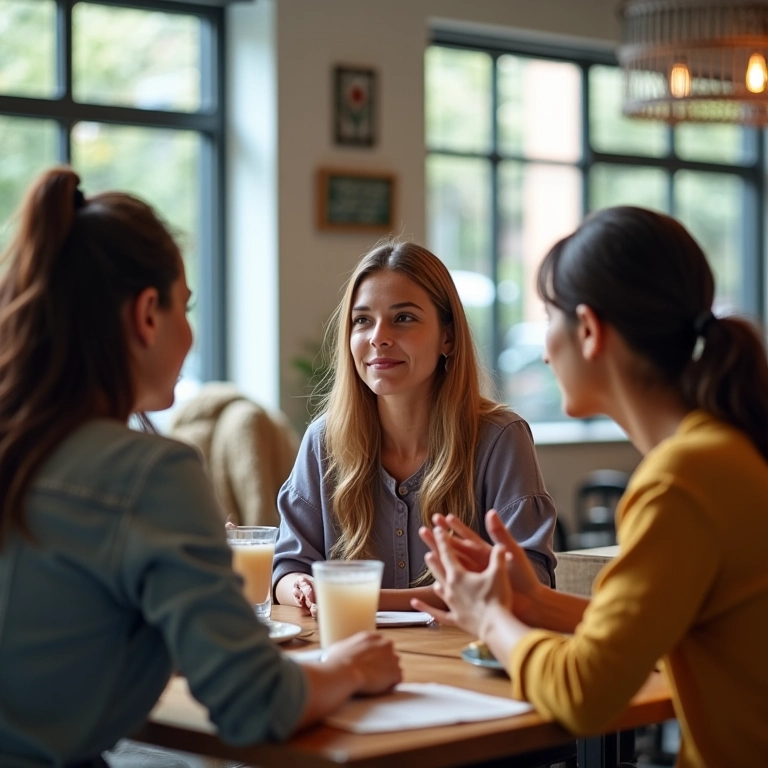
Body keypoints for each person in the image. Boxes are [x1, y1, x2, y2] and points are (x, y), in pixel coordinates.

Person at [0, 167, 401, 768]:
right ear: (146, 315)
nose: (189, 334)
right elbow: (255, 700)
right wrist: (349, 668)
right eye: (184, 308)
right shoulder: (151, 475)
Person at [413, 206, 768, 767]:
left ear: (588, 330)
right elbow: (637, 638)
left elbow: (584, 696)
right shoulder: (720, 452)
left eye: (549, 317)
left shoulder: (682, 480)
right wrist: (530, 600)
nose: (545, 346)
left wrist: (490, 620)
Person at [273, 240, 557, 614]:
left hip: (461, 663)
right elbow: (287, 568)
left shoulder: (501, 439)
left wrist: (352, 598)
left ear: (448, 338)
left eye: (403, 318)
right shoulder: (322, 442)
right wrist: (302, 587)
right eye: (362, 320)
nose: (378, 337)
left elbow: (530, 582)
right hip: (352, 659)